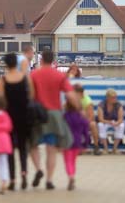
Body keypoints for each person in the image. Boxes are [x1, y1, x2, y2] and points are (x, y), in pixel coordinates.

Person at [29, 50, 78, 190]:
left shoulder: (34, 74)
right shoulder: (59, 75)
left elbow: (30, 95)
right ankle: (49, 180)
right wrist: (78, 109)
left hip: (38, 114)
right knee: (51, 149)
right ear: (52, 61)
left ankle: (38, 169)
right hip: (55, 115)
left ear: (41, 59)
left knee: (33, 145)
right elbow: (70, 95)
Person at [0, 53, 34, 191]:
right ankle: (24, 173)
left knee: (10, 149)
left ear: (6, 64)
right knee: (23, 147)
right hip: (24, 117)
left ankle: (12, 179)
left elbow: (1, 100)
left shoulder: (3, 80)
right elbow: (31, 95)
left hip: (9, 118)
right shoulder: (25, 78)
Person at [63, 94, 90, 191]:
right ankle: (72, 176)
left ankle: (71, 177)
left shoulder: (64, 117)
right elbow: (86, 133)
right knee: (73, 161)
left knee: (68, 161)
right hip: (77, 142)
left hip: (67, 142)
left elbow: (61, 130)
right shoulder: (82, 118)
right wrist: (86, 144)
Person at [73, 84, 100, 155]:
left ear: (80, 93)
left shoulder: (87, 101)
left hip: (86, 121)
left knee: (93, 125)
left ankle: (96, 147)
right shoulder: (72, 100)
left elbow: (91, 116)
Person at [97, 89, 125, 154]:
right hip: (105, 121)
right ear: (108, 98)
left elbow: (121, 119)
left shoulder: (118, 104)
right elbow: (100, 119)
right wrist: (108, 122)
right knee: (100, 125)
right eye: (113, 98)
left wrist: (117, 123)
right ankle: (105, 148)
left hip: (115, 121)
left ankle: (115, 148)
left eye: (115, 97)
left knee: (121, 125)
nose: (114, 99)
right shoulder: (101, 104)